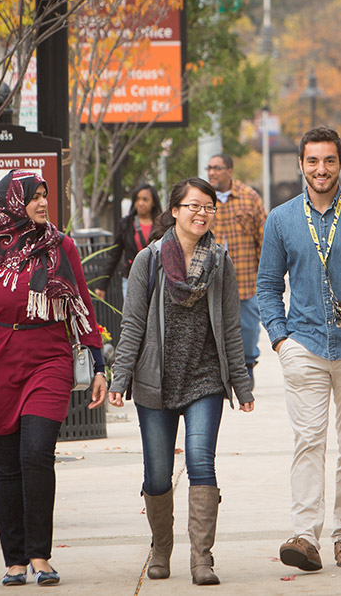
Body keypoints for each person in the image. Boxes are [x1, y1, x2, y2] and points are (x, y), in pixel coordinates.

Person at [0, 170, 107, 587]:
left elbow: (82, 305)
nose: (41, 204)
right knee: (7, 467)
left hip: (48, 357)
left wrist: (97, 362)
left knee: (36, 453)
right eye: (33, 196)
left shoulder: (61, 246)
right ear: (10, 202)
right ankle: (15, 560)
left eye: (44, 196)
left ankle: (40, 555)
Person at [257, 125, 341, 571]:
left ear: (340, 163)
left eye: (329, 160)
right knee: (309, 440)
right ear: (300, 164)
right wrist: (280, 339)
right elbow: (267, 286)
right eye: (312, 160)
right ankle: (304, 535)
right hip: (305, 345)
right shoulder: (280, 219)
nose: (321, 169)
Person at [108, 177, 255, 586]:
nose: (201, 213)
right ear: (173, 211)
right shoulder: (149, 260)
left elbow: (230, 328)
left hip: (204, 379)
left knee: (200, 462)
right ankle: (161, 547)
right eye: (192, 205)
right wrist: (120, 377)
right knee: (157, 475)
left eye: (208, 206)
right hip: (156, 379)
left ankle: (201, 559)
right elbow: (133, 323)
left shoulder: (220, 261)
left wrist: (241, 385)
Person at [206, 153, 267, 381]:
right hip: (211, 281)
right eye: (209, 168)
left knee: (249, 328)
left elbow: (264, 237)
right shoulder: (203, 199)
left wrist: (264, 274)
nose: (212, 172)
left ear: (229, 171)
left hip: (245, 279)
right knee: (214, 330)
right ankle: (220, 374)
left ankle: (248, 366)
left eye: (217, 168)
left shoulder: (249, 197)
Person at [94, 183, 163, 300]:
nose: (140, 203)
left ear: (153, 202)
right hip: (131, 278)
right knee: (133, 316)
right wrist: (102, 285)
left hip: (157, 279)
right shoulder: (126, 224)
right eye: (137, 199)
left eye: (145, 199)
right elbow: (114, 255)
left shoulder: (162, 224)